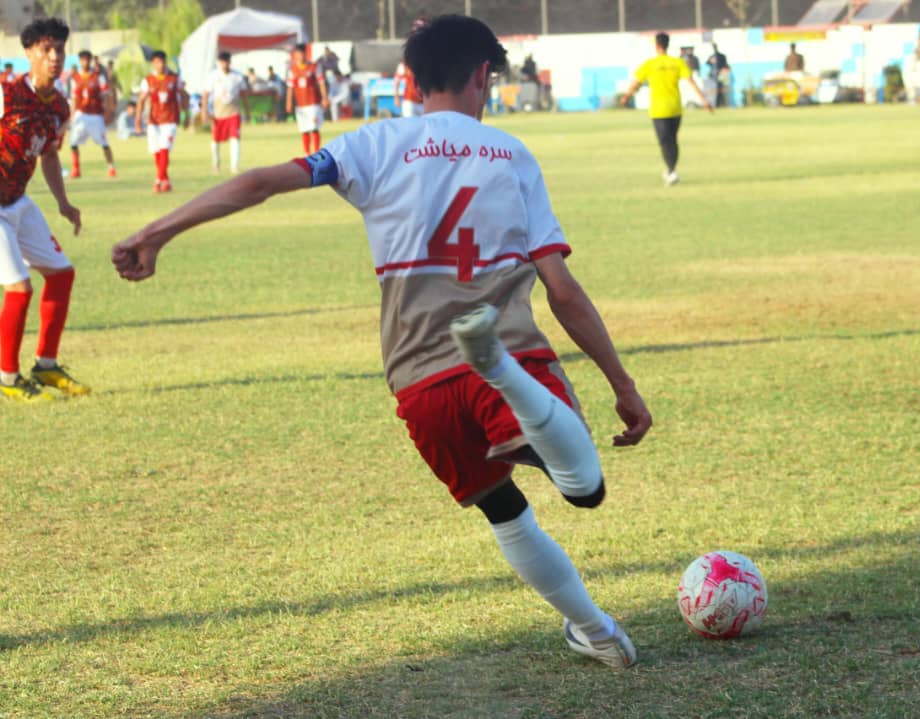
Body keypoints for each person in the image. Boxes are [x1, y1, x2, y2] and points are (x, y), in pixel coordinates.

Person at [112, 14, 652, 670]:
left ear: (411, 79)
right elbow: (561, 289)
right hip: (506, 351)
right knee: (584, 487)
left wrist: (158, 231)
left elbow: (256, 184)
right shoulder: (511, 154)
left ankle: (593, 628)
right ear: (483, 76)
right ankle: (502, 371)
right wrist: (622, 385)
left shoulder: (371, 143)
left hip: (419, 381)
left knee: (504, 508)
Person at [0, 18, 88, 402]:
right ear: (29, 54)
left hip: (18, 200)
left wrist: (63, 203)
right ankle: (7, 377)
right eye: (46, 50)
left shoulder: (60, 106)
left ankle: (47, 366)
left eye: (60, 50)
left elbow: (50, 154)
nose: (54, 57)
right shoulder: (6, 94)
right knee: (20, 288)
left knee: (61, 274)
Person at [621, 32, 712, 187]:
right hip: (675, 108)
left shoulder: (650, 64)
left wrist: (626, 96)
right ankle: (672, 170)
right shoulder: (677, 63)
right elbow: (691, 82)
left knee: (664, 141)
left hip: (658, 110)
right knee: (672, 140)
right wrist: (704, 101)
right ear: (668, 45)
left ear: (656, 45)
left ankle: (671, 170)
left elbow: (636, 82)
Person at [135, 50, 187, 193]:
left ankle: (158, 180)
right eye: (157, 62)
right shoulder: (148, 80)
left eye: (163, 61)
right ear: (153, 63)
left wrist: (186, 114)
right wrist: (138, 119)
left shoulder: (174, 78)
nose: (161, 64)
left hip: (170, 119)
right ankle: (166, 180)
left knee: (164, 148)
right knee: (156, 151)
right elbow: (141, 100)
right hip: (154, 121)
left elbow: (183, 95)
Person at [68, 49, 117, 179]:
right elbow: (74, 98)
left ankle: (111, 167)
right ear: (79, 61)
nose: (85, 62)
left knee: (104, 143)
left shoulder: (98, 77)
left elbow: (106, 95)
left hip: (95, 114)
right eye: (82, 59)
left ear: (90, 61)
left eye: (87, 59)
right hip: (81, 113)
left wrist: (108, 112)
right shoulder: (75, 78)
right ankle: (76, 169)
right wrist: (72, 114)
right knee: (73, 142)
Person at [202, 51, 248, 175]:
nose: (224, 64)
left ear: (230, 62)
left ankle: (235, 166)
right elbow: (205, 95)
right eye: (222, 62)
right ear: (219, 62)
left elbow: (243, 94)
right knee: (215, 141)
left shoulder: (237, 76)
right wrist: (204, 112)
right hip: (218, 114)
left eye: (226, 61)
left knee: (235, 139)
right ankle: (216, 164)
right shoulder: (213, 76)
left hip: (233, 113)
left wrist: (247, 111)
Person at [285, 44, 329, 153]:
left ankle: (316, 152)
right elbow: (290, 88)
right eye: (297, 53)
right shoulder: (293, 69)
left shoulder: (314, 67)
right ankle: (307, 153)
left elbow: (321, 83)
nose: (299, 56)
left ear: (305, 54)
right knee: (304, 129)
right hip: (300, 105)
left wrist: (324, 98)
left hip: (313, 103)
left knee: (314, 128)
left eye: (301, 53)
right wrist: (289, 102)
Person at [395, 17, 428, 118]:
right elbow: (397, 80)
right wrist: (396, 97)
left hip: (425, 102)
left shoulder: (428, 63)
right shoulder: (404, 64)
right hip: (410, 101)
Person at [706, 43, 730, 108]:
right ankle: (715, 104)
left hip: (721, 76)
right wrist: (710, 61)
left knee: (721, 90)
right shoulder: (711, 56)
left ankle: (723, 104)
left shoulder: (722, 56)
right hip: (713, 77)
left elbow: (725, 65)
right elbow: (707, 63)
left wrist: (722, 71)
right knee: (714, 91)